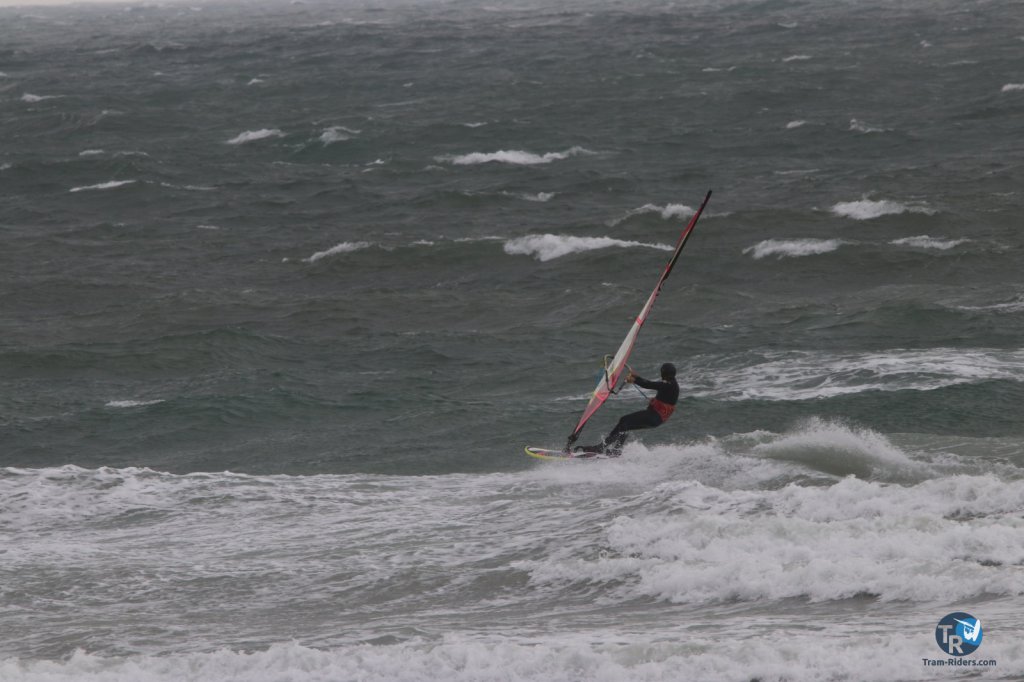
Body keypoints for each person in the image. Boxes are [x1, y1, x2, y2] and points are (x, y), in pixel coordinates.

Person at [581, 362, 679, 456]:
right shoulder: (670, 383)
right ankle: (616, 450)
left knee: (624, 421)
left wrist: (635, 380)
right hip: (655, 417)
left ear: (663, 373)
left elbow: (649, 384)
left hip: (654, 417)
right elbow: (653, 385)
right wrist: (636, 377)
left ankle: (602, 448)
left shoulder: (670, 385)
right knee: (625, 424)